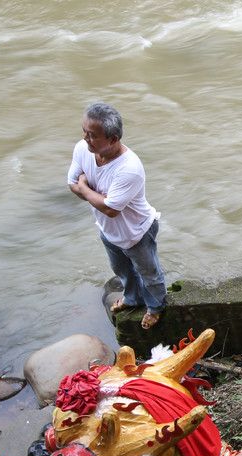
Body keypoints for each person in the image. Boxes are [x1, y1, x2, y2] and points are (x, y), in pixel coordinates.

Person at [67, 102, 166, 330]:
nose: (85, 139)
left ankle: (156, 307)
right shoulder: (83, 150)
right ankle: (132, 298)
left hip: (137, 231)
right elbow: (72, 183)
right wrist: (91, 194)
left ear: (112, 139)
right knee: (121, 269)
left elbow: (111, 209)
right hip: (107, 229)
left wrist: (85, 189)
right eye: (84, 131)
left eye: (92, 135)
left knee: (149, 273)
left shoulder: (128, 168)